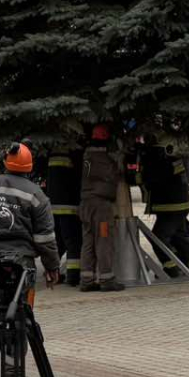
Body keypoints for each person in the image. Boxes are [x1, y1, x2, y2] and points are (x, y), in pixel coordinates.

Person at [0, 143, 63, 377]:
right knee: (18, 317)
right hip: (21, 267)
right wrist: (53, 268)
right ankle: (11, 375)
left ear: (6, 163)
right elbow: (45, 239)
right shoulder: (36, 195)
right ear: (29, 167)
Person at [137, 142, 189, 277]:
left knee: (158, 237)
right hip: (180, 205)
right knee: (180, 234)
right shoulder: (171, 161)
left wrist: (137, 175)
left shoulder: (158, 164)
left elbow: (150, 180)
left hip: (170, 207)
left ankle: (171, 268)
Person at [77, 124, 125, 294]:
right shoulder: (108, 154)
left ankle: (86, 280)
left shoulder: (86, 153)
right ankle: (107, 280)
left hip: (85, 203)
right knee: (104, 240)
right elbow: (119, 170)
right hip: (101, 206)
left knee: (88, 240)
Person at [40, 146, 83, 286]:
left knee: (58, 242)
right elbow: (78, 178)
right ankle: (73, 277)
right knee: (73, 243)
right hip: (69, 207)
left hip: (53, 206)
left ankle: (52, 274)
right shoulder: (74, 153)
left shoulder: (52, 153)